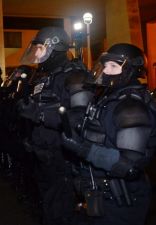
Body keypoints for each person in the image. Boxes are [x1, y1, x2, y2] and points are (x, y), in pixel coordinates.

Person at [62, 43, 156, 225]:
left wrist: (83, 149)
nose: (106, 71)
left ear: (131, 70)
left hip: (121, 200)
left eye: (113, 66)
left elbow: (129, 165)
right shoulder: (109, 98)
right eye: (105, 65)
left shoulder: (131, 107)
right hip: (101, 196)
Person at [17, 26, 92, 225]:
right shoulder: (45, 77)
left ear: (54, 48)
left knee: (62, 213)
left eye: (40, 48)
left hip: (63, 160)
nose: (37, 53)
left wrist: (39, 114)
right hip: (43, 158)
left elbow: (79, 119)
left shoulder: (75, 76)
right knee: (48, 210)